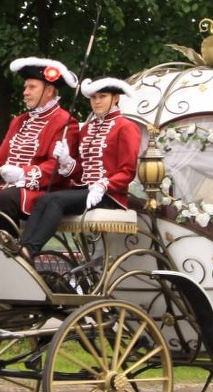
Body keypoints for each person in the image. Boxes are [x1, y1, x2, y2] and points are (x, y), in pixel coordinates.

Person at [17, 77, 141, 262]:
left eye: (103, 96)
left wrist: (103, 185)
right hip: (84, 191)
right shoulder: (87, 128)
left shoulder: (126, 127)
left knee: (55, 200)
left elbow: (127, 170)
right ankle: (23, 248)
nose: (97, 101)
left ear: (115, 98)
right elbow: (81, 172)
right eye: (93, 97)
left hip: (109, 195)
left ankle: (29, 251)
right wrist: (67, 161)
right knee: (44, 199)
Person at [0, 56, 80, 233]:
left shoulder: (65, 121)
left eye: (32, 87)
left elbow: (56, 167)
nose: (25, 92)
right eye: (25, 87)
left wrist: (23, 174)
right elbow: (0, 157)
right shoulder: (19, 121)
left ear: (49, 90)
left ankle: (9, 251)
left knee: (5, 199)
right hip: (10, 191)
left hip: (43, 193)